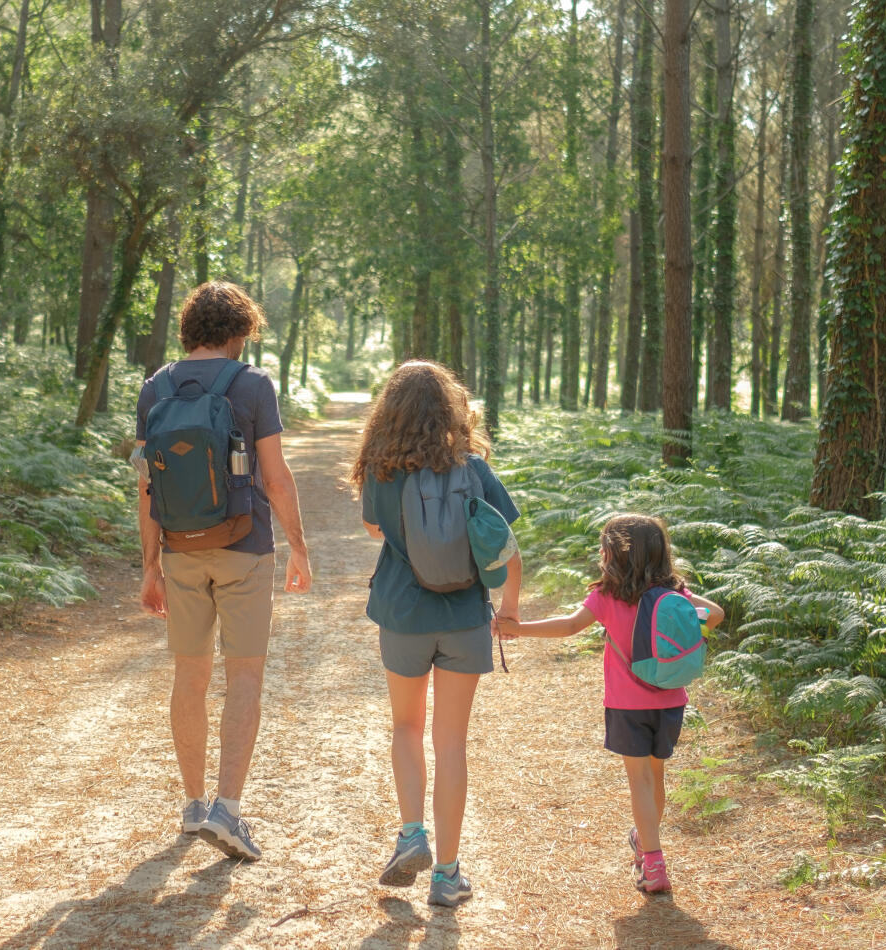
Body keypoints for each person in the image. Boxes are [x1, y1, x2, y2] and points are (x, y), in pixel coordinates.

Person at [136, 281, 312, 862]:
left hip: (181, 550)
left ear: (188, 329)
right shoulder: (253, 384)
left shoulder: (155, 387)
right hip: (244, 547)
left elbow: (145, 485)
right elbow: (276, 475)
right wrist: (298, 547)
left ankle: (192, 808)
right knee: (244, 677)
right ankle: (227, 810)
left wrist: (150, 565)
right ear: (239, 332)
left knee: (190, 677)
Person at [352, 360, 521, 908]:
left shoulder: (383, 468)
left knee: (406, 725)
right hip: (465, 616)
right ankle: (447, 875)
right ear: (452, 408)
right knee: (451, 743)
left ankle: (410, 835)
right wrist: (511, 608)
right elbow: (503, 539)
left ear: (390, 412)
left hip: (403, 611)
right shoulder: (472, 466)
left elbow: (375, 527)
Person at [496, 514, 724, 894]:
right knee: (656, 778)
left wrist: (518, 628)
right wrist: (679, 609)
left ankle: (653, 863)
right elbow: (714, 614)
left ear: (612, 554)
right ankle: (645, 843)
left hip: (627, 704)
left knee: (638, 781)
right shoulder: (675, 594)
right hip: (671, 700)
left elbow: (570, 626)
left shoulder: (607, 594)